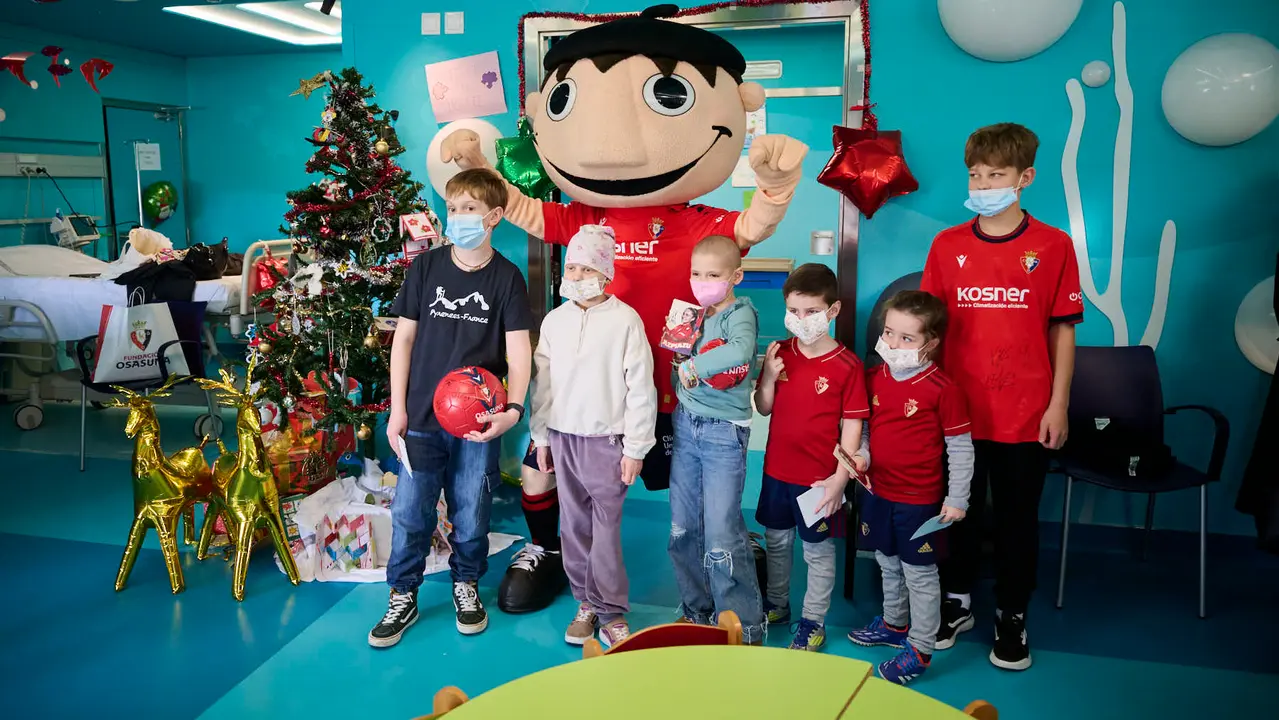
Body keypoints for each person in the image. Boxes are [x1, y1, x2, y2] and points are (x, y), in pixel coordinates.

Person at [438, 6, 809, 613]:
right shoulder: (588, 218)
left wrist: (776, 188)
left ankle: (731, 552)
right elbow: (528, 211)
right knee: (543, 468)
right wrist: (480, 170)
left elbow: (751, 227)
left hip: (675, 385)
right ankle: (552, 551)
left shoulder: (698, 224)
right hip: (594, 386)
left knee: (694, 493)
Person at [920, 122, 1083, 671]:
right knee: (956, 512)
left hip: (1026, 413)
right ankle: (958, 600)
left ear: (1024, 178)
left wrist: (1058, 403)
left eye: (996, 174)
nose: (983, 182)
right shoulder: (947, 245)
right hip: (956, 412)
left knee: (1017, 518)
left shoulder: (1053, 246)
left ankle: (1012, 613)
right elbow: (927, 330)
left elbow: (1063, 329)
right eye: (975, 174)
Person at [371, 168, 534, 648]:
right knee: (410, 511)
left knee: (471, 509)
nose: (458, 217)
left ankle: (466, 584)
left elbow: (519, 351)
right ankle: (403, 594)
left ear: (494, 216)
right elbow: (403, 340)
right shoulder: (426, 268)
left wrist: (514, 409)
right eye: (453, 208)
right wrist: (397, 409)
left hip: (477, 423)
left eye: (469, 209)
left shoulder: (507, 277)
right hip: (420, 417)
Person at [529, 224, 657, 649]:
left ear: (605, 273)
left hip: (607, 443)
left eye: (586, 267)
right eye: (572, 266)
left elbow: (641, 387)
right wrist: (541, 438)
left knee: (605, 529)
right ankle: (585, 603)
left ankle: (611, 609)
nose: (577, 274)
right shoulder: (554, 321)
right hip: (563, 439)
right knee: (575, 527)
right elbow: (541, 385)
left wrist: (636, 447)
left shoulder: (624, 321)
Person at [847, 291, 974, 685]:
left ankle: (920, 648)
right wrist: (862, 455)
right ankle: (894, 624)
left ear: (931, 343)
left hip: (920, 502)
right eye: (889, 333)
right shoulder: (873, 378)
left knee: (919, 574)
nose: (893, 344)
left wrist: (957, 499)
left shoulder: (943, 388)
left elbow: (960, 446)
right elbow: (865, 428)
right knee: (886, 561)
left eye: (907, 338)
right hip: (877, 492)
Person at [753, 263, 868, 652]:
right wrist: (767, 376)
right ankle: (777, 604)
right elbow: (763, 407)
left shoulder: (847, 366)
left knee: (818, 553)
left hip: (819, 480)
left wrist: (840, 478)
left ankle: (812, 622)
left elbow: (852, 426)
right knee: (777, 542)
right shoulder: (779, 352)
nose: (801, 320)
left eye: (812, 312)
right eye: (794, 311)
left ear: (832, 311)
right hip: (776, 472)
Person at [668, 235, 764, 644]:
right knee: (682, 527)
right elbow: (679, 362)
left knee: (722, 531)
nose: (702, 281)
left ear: (735, 277)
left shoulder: (740, 313)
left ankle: (742, 623)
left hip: (724, 431)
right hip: (686, 423)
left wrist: (692, 367)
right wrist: (678, 361)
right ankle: (696, 610)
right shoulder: (694, 313)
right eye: (696, 273)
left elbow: (741, 352)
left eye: (713, 274)